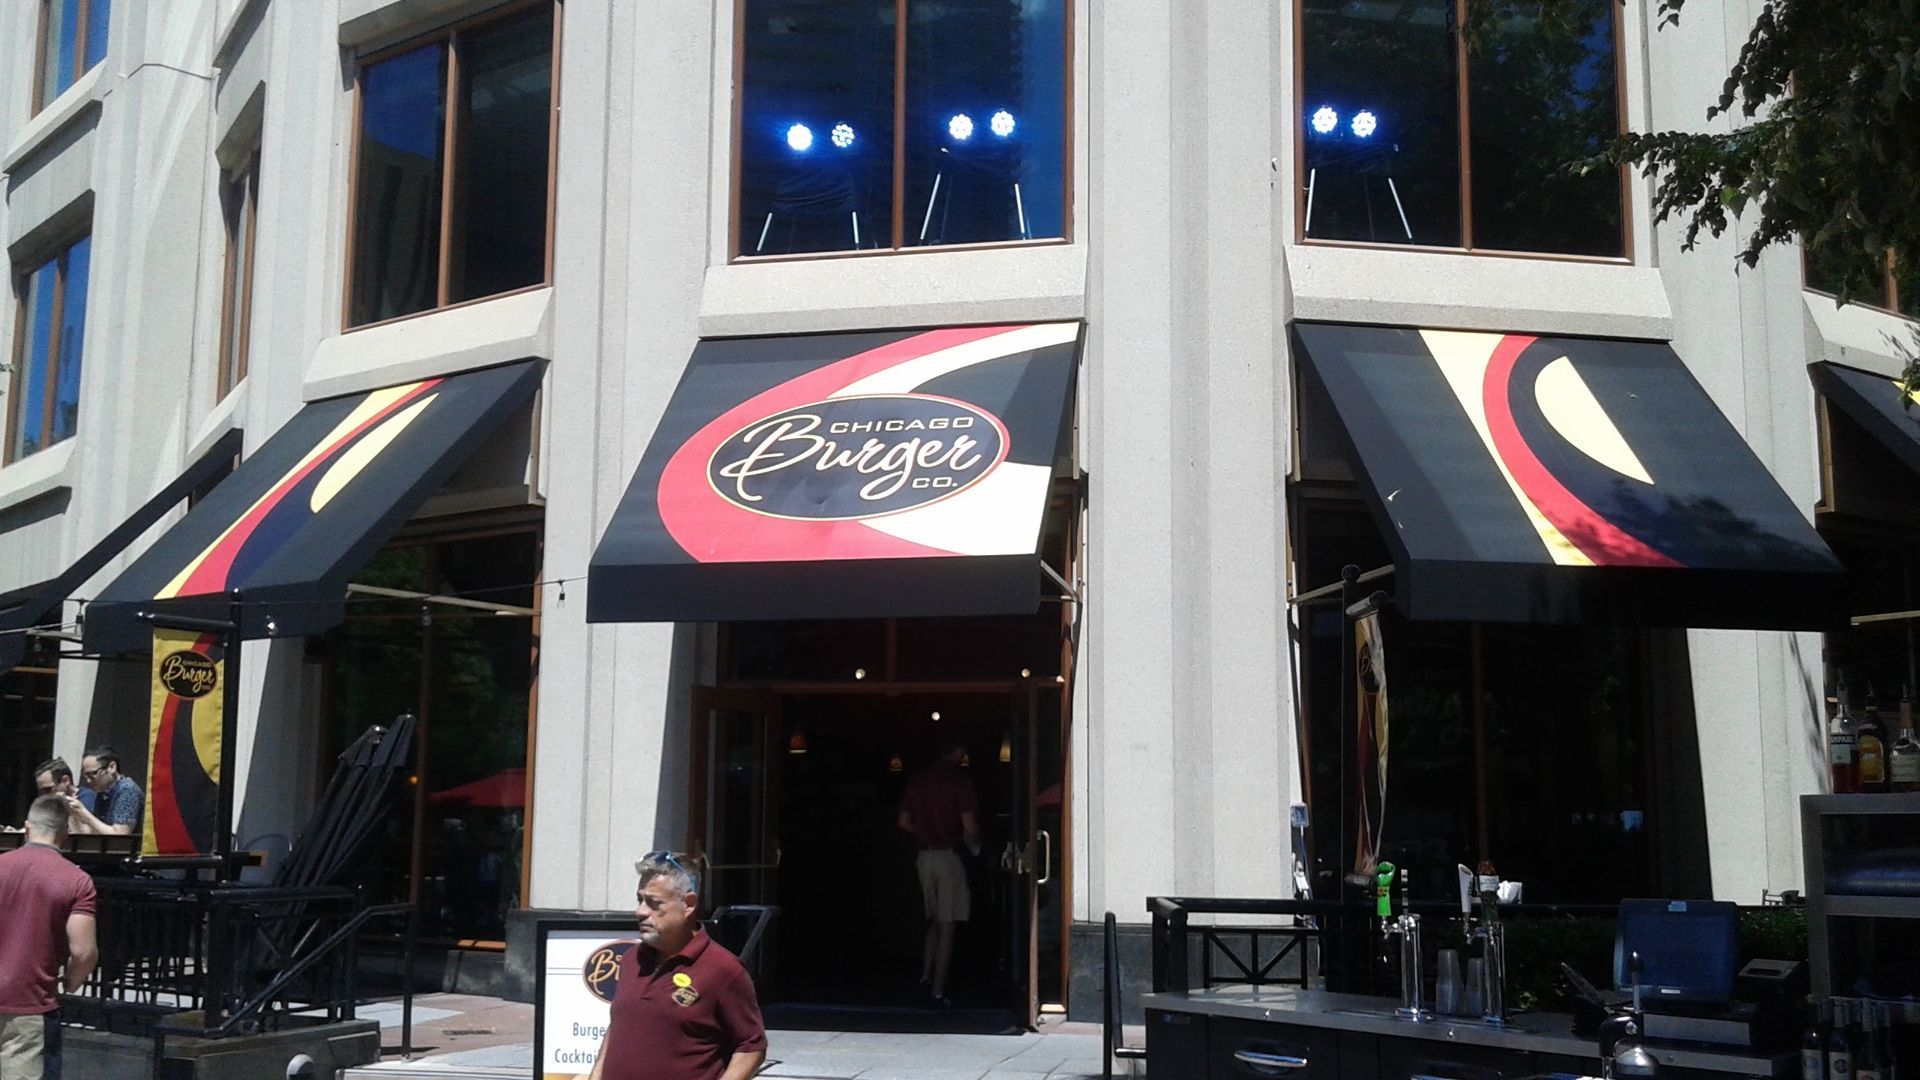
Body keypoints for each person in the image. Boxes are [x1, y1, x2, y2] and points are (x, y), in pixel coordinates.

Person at [588, 851, 766, 1080]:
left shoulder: (724, 970)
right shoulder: (632, 959)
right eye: (640, 900)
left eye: (654, 903)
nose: (641, 912)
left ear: (689, 904)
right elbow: (618, 1026)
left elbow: (751, 1047)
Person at [0, 795, 100, 1080]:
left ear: (27, 827)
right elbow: (83, 952)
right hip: (31, 1006)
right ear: (64, 835)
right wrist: (72, 980)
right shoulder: (76, 881)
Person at [897, 742, 981, 1007]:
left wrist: (922, 833)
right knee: (947, 925)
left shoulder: (919, 780)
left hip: (924, 857)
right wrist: (978, 842)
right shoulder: (960, 781)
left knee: (932, 920)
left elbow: (903, 821)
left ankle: (924, 977)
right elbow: (969, 826)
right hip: (948, 855)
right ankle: (938, 990)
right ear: (957, 751)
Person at [74, 749, 141, 836]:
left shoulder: (127, 789)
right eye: (86, 775)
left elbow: (120, 835)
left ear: (112, 767)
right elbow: (91, 832)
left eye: (93, 774)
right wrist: (75, 813)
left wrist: (83, 811)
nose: (88, 780)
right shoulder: (103, 792)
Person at [31, 761, 94, 834]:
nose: (44, 795)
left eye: (48, 789)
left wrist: (68, 808)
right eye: (41, 791)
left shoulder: (86, 797)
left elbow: (85, 834)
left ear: (65, 780)